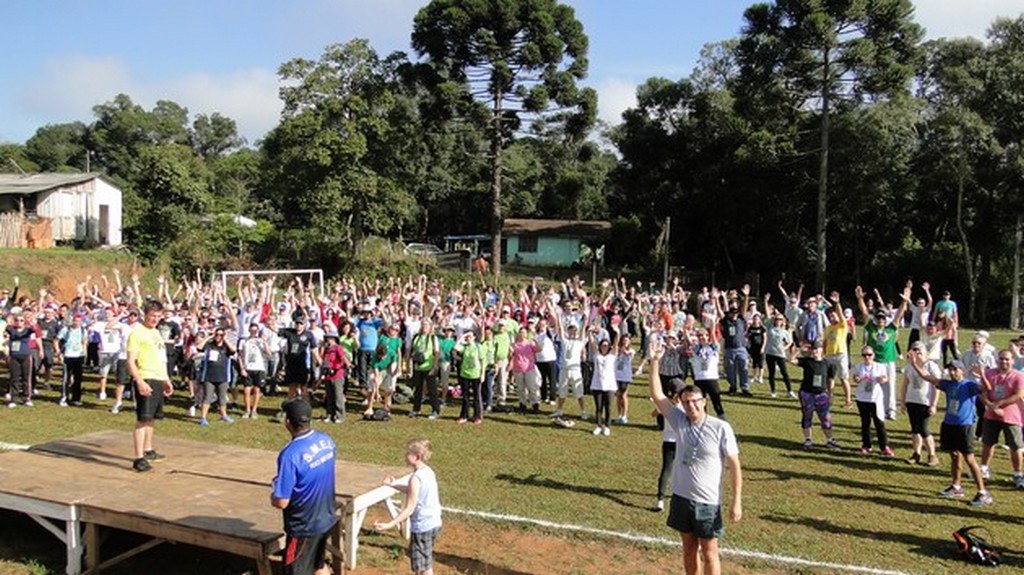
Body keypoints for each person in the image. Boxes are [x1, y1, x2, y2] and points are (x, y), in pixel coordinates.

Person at [649, 338, 742, 575]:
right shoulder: (680, 420)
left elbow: (734, 465)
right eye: (686, 402)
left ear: (704, 402)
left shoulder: (720, 428)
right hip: (681, 497)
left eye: (694, 402)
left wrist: (736, 501)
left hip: (707, 501)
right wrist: (655, 361)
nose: (691, 406)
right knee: (688, 549)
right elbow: (657, 395)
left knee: (710, 552)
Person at [909, 357, 993, 506]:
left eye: (955, 369)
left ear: (963, 371)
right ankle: (956, 487)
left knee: (969, 459)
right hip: (949, 424)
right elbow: (926, 376)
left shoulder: (969, 385)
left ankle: (983, 492)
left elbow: (987, 388)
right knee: (954, 456)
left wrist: (982, 375)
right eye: (950, 370)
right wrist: (914, 363)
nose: (952, 372)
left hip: (964, 426)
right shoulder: (947, 384)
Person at [271, 398, 337, 575]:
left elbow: (281, 502)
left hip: (303, 527)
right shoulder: (326, 441)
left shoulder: (290, 455)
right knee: (318, 565)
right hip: (326, 517)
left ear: (287, 422)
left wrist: (273, 493)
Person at [374, 438, 443, 575]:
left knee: (420, 568)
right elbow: (413, 491)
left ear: (417, 457)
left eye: (408, 453)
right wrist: (394, 485)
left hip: (422, 527)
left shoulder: (415, 478)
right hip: (434, 523)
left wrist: (390, 524)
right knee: (426, 563)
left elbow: (409, 508)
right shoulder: (428, 472)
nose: (405, 455)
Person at [126, 300, 174, 473]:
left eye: (158, 316)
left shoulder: (156, 333)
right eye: (152, 315)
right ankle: (138, 458)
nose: (155, 319)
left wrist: (166, 379)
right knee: (143, 419)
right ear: (145, 315)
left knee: (152, 417)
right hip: (146, 377)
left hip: (158, 378)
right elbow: (130, 361)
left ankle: (148, 449)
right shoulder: (137, 334)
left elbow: (161, 358)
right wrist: (139, 381)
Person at [977, 349, 1024, 489]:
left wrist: (998, 404)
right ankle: (984, 468)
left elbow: (1018, 395)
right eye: (1001, 358)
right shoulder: (989, 373)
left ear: (1013, 361)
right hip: (991, 415)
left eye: (1007, 359)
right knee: (988, 443)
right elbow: (982, 391)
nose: (1004, 361)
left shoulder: (1018, 376)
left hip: (1011, 416)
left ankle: (1018, 473)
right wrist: (990, 405)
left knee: (1015, 445)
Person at [790, 342, 840, 450]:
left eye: (817, 349)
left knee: (826, 418)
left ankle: (830, 440)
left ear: (822, 350)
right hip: (807, 393)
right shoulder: (807, 361)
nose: (815, 351)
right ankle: (808, 440)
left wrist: (831, 394)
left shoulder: (829, 364)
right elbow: (791, 360)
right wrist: (799, 350)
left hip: (821, 395)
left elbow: (830, 380)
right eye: (813, 349)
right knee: (807, 417)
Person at [899, 341, 941, 466]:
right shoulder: (909, 367)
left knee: (924, 429)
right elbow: (904, 385)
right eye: (914, 350)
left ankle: (932, 455)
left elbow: (936, 386)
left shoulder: (931, 366)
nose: (917, 353)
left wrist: (933, 404)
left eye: (919, 350)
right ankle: (916, 453)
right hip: (912, 400)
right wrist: (903, 402)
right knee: (915, 429)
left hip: (925, 402)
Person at [853, 345, 893, 456]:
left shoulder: (880, 366)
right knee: (865, 422)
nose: (867, 357)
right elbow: (855, 378)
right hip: (862, 398)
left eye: (869, 355)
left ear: (873, 355)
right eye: (864, 355)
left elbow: (885, 378)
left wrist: (882, 379)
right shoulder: (859, 366)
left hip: (875, 398)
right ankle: (866, 445)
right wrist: (858, 379)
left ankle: (884, 446)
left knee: (879, 422)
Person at [197, 327, 236, 426]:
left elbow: (233, 350)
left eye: (221, 335)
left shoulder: (226, 347)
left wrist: (225, 340)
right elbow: (199, 347)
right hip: (209, 376)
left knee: (222, 397)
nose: (219, 337)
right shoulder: (210, 345)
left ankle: (224, 415)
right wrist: (209, 337)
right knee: (207, 397)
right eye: (217, 335)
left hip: (223, 376)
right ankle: (203, 417)